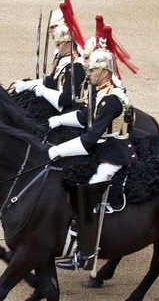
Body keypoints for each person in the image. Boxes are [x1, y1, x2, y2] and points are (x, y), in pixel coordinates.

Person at [48, 46, 136, 272]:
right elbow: (84, 117)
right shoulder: (102, 92)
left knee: (89, 193)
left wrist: (59, 150)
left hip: (113, 155)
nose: (88, 73)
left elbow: (91, 137)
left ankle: (86, 253)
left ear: (104, 72)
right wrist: (58, 120)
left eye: (93, 70)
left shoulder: (111, 99)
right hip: (102, 149)